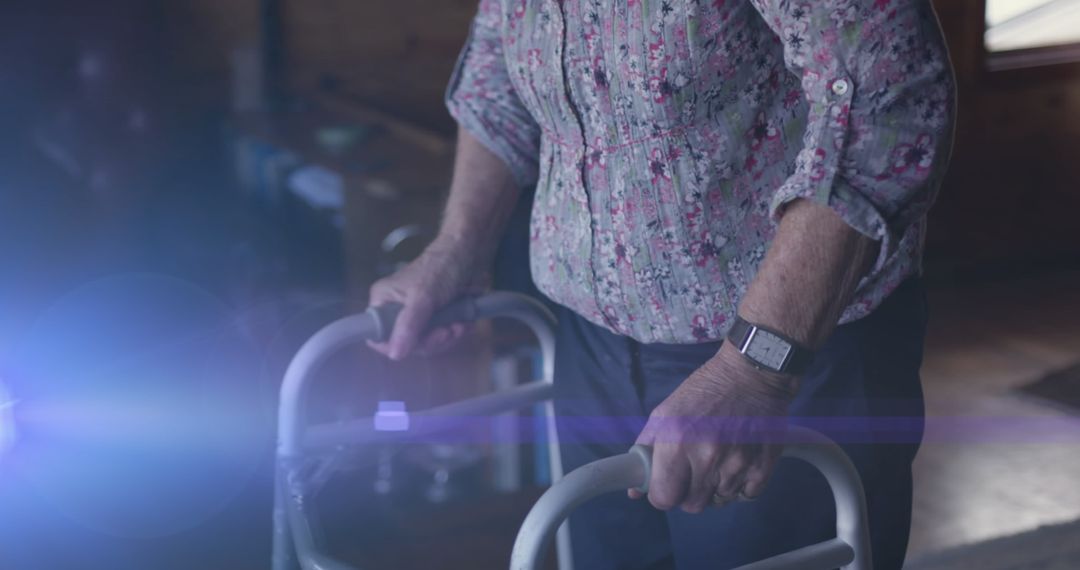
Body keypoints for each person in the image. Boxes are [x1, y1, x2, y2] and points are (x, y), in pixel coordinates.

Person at [369, 0, 955, 568]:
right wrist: (455, 252)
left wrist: (753, 369)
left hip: (789, 360)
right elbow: (497, 84)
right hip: (591, 353)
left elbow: (890, 95)